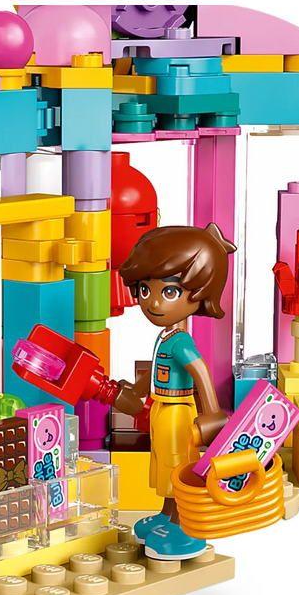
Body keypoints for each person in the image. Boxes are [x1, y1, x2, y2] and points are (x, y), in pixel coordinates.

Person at [114, 223, 236, 560]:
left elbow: (201, 372)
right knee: (165, 466)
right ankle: (167, 515)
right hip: (161, 410)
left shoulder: (181, 341)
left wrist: (212, 414)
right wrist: (136, 390)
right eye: (144, 289)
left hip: (179, 413)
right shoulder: (167, 336)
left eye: (169, 292)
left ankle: (185, 525)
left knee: (180, 467)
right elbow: (156, 370)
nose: (153, 302)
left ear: (200, 294)